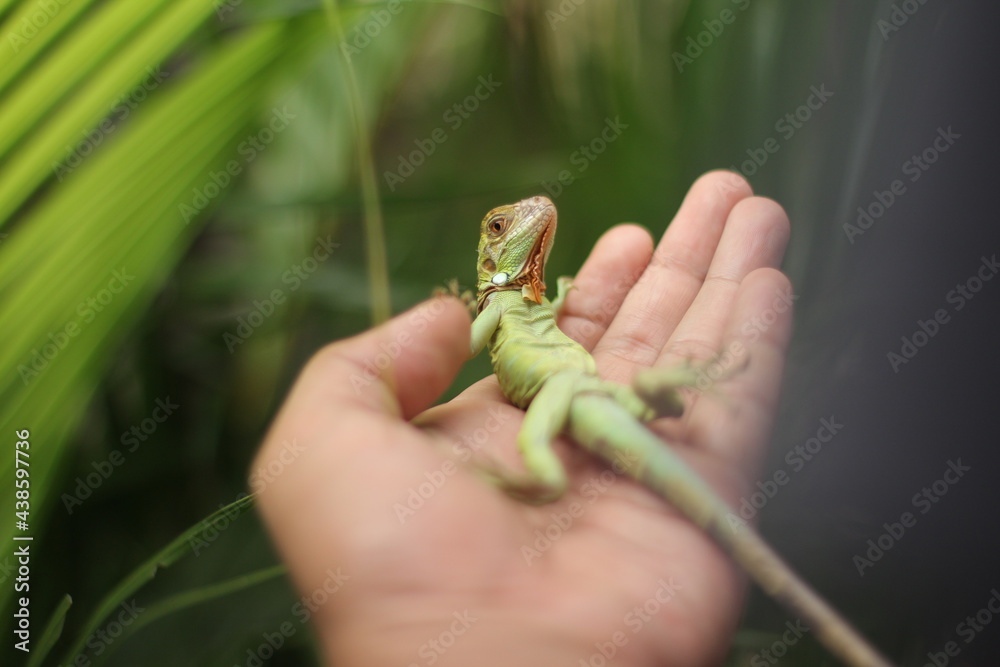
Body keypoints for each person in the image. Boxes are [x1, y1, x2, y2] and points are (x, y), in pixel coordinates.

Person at [253, 171, 792, 666]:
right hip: (575, 387)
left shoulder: (524, 307)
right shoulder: (496, 307)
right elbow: (465, 343)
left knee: (604, 414)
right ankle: (588, 445)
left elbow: (532, 316)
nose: (531, 212)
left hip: (580, 386)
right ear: (491, 259)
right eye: (499, 225)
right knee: (610, 418)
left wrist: (554, 299)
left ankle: (580, 449)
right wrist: (456, 314)